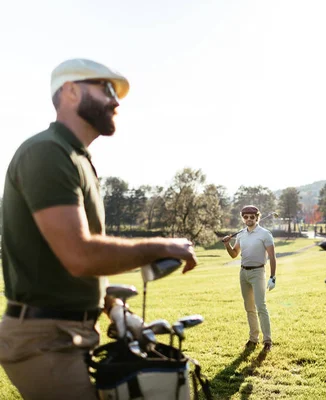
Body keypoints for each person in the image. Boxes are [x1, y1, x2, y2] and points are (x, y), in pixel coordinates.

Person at [0, 58, 198, 400]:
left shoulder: (77, 158)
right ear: (71, 91)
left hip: (70, 332)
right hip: (44, 341)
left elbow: (58, 261)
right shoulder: (47, 152)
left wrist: (112, 306)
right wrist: (164, 246)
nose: (116, 101)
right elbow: (79, 255)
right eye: (106, 88)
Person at [222, 205, 276, 351]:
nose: (249, 219)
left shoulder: (265, 234)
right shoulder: (241, 235)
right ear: (243, 218)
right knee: (249, 308)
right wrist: (227, 245)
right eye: (245, 217)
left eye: (252, 216)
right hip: (243, 273)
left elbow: (272, 256)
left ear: (257, 217)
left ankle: (267, 341)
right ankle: (253, 339)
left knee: (261, 306)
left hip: (258, 272)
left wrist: (273, 277)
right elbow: (234, 254)